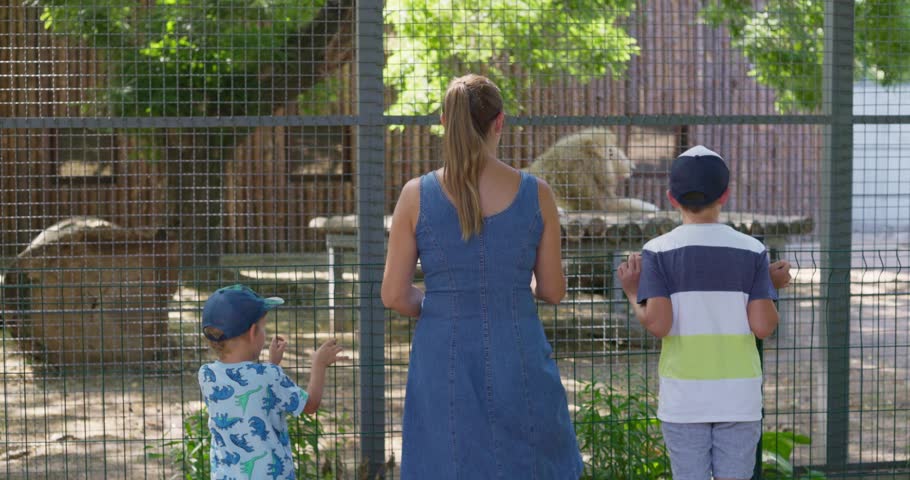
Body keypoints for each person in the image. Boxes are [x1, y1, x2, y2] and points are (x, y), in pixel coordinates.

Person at [382, 74, 584, 479]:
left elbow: (393, 295)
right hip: (518, 350)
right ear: (500, 122)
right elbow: (553, 290)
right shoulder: (537, 193)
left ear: (444, 120)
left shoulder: (414, 195)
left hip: (443, 355)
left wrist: (441, 302)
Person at [616, 146, 792, 480]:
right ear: (725, 194)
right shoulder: (753, 251)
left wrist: (632, 291)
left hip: (684, 401)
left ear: (671, 197)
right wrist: (767, 287)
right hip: (739, 400)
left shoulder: (657, 251)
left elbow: (659, 324)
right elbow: (763, 325)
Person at [197, 284, 346, 479]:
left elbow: (246, 391)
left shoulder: (207, 375)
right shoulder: (269, 376)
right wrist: (318, 363)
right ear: (253, 332)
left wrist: (271, 364)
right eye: (263, 327)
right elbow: (309, 405)